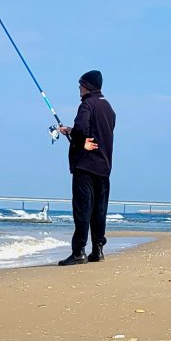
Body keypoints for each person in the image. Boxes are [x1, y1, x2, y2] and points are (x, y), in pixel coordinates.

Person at [56, 70, 115, 265]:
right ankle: (98, 249)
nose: (79, 88)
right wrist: (72, 132)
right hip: (104, 168)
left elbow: (83, 129)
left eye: (81, 84)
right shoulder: (109, 108)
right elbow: (92, 132)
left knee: (83, 209)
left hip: (86, 167)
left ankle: (78, 251)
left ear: (87, 86)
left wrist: (80, 141)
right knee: (99, 210)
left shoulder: (87, 104)